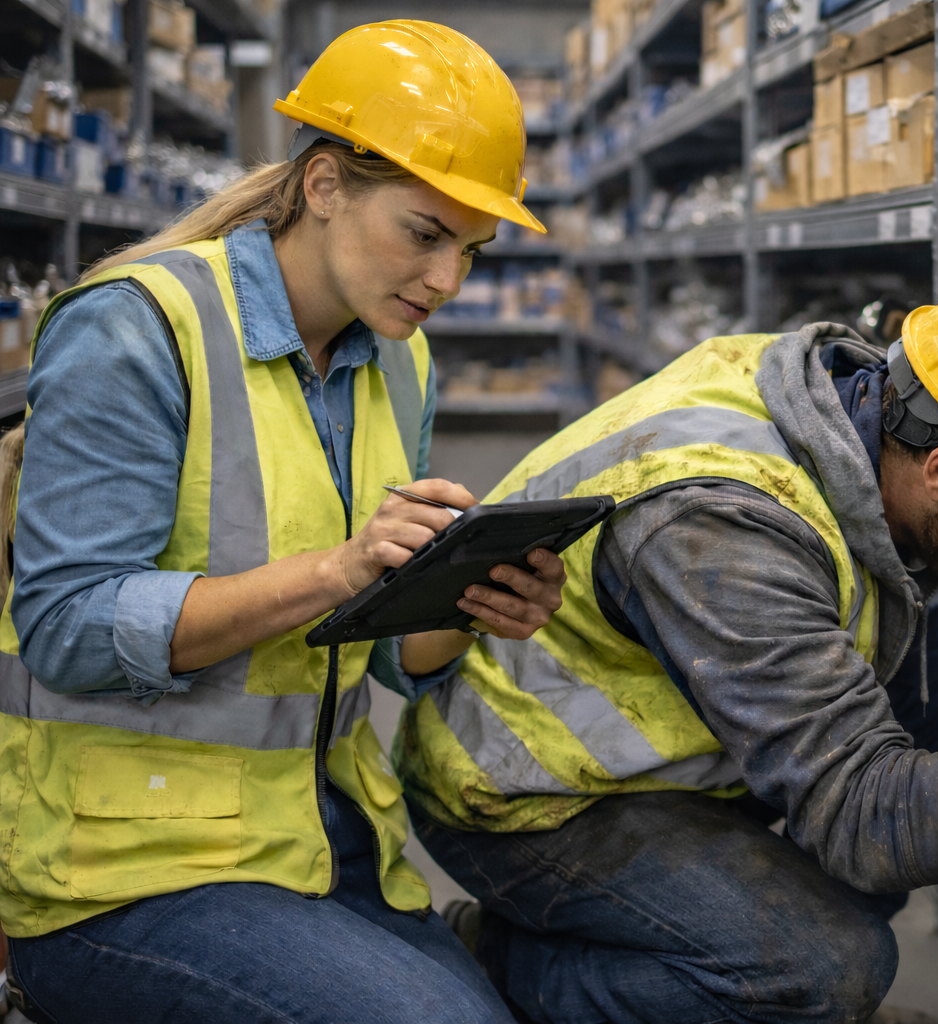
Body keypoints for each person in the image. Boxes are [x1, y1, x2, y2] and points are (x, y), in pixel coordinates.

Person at [397, 283, 938, 1023]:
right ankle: (507, 964)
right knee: (827, 968)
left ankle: (732, 956)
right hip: (526, 791)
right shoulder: (723, 532)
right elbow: (872, 824)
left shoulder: (837, 398)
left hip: (670, 741)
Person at [0, 22, 567, 1024]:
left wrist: (465, 602)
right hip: (124, 870)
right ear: (322, 185)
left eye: (470, 252)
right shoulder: (136, 327)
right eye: (424, 235)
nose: (446, 283)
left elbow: (392, 658)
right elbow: (67, 624)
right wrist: (337, 571)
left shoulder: (400, 357)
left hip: (323, 836)